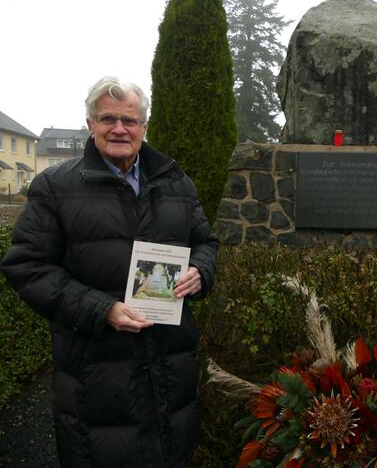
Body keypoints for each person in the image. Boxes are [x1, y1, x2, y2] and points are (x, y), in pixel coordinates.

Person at [1, 76, 219, 468]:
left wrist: (201, 270)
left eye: (129, 120)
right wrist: (101, 308)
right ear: (89, 124)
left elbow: (206, 242)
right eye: (108, 119)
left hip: (170, 369)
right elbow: (26, 266)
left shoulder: (176, 183)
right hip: (97, 374)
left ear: (144, 127)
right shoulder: (55, 187)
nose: (119, 129)